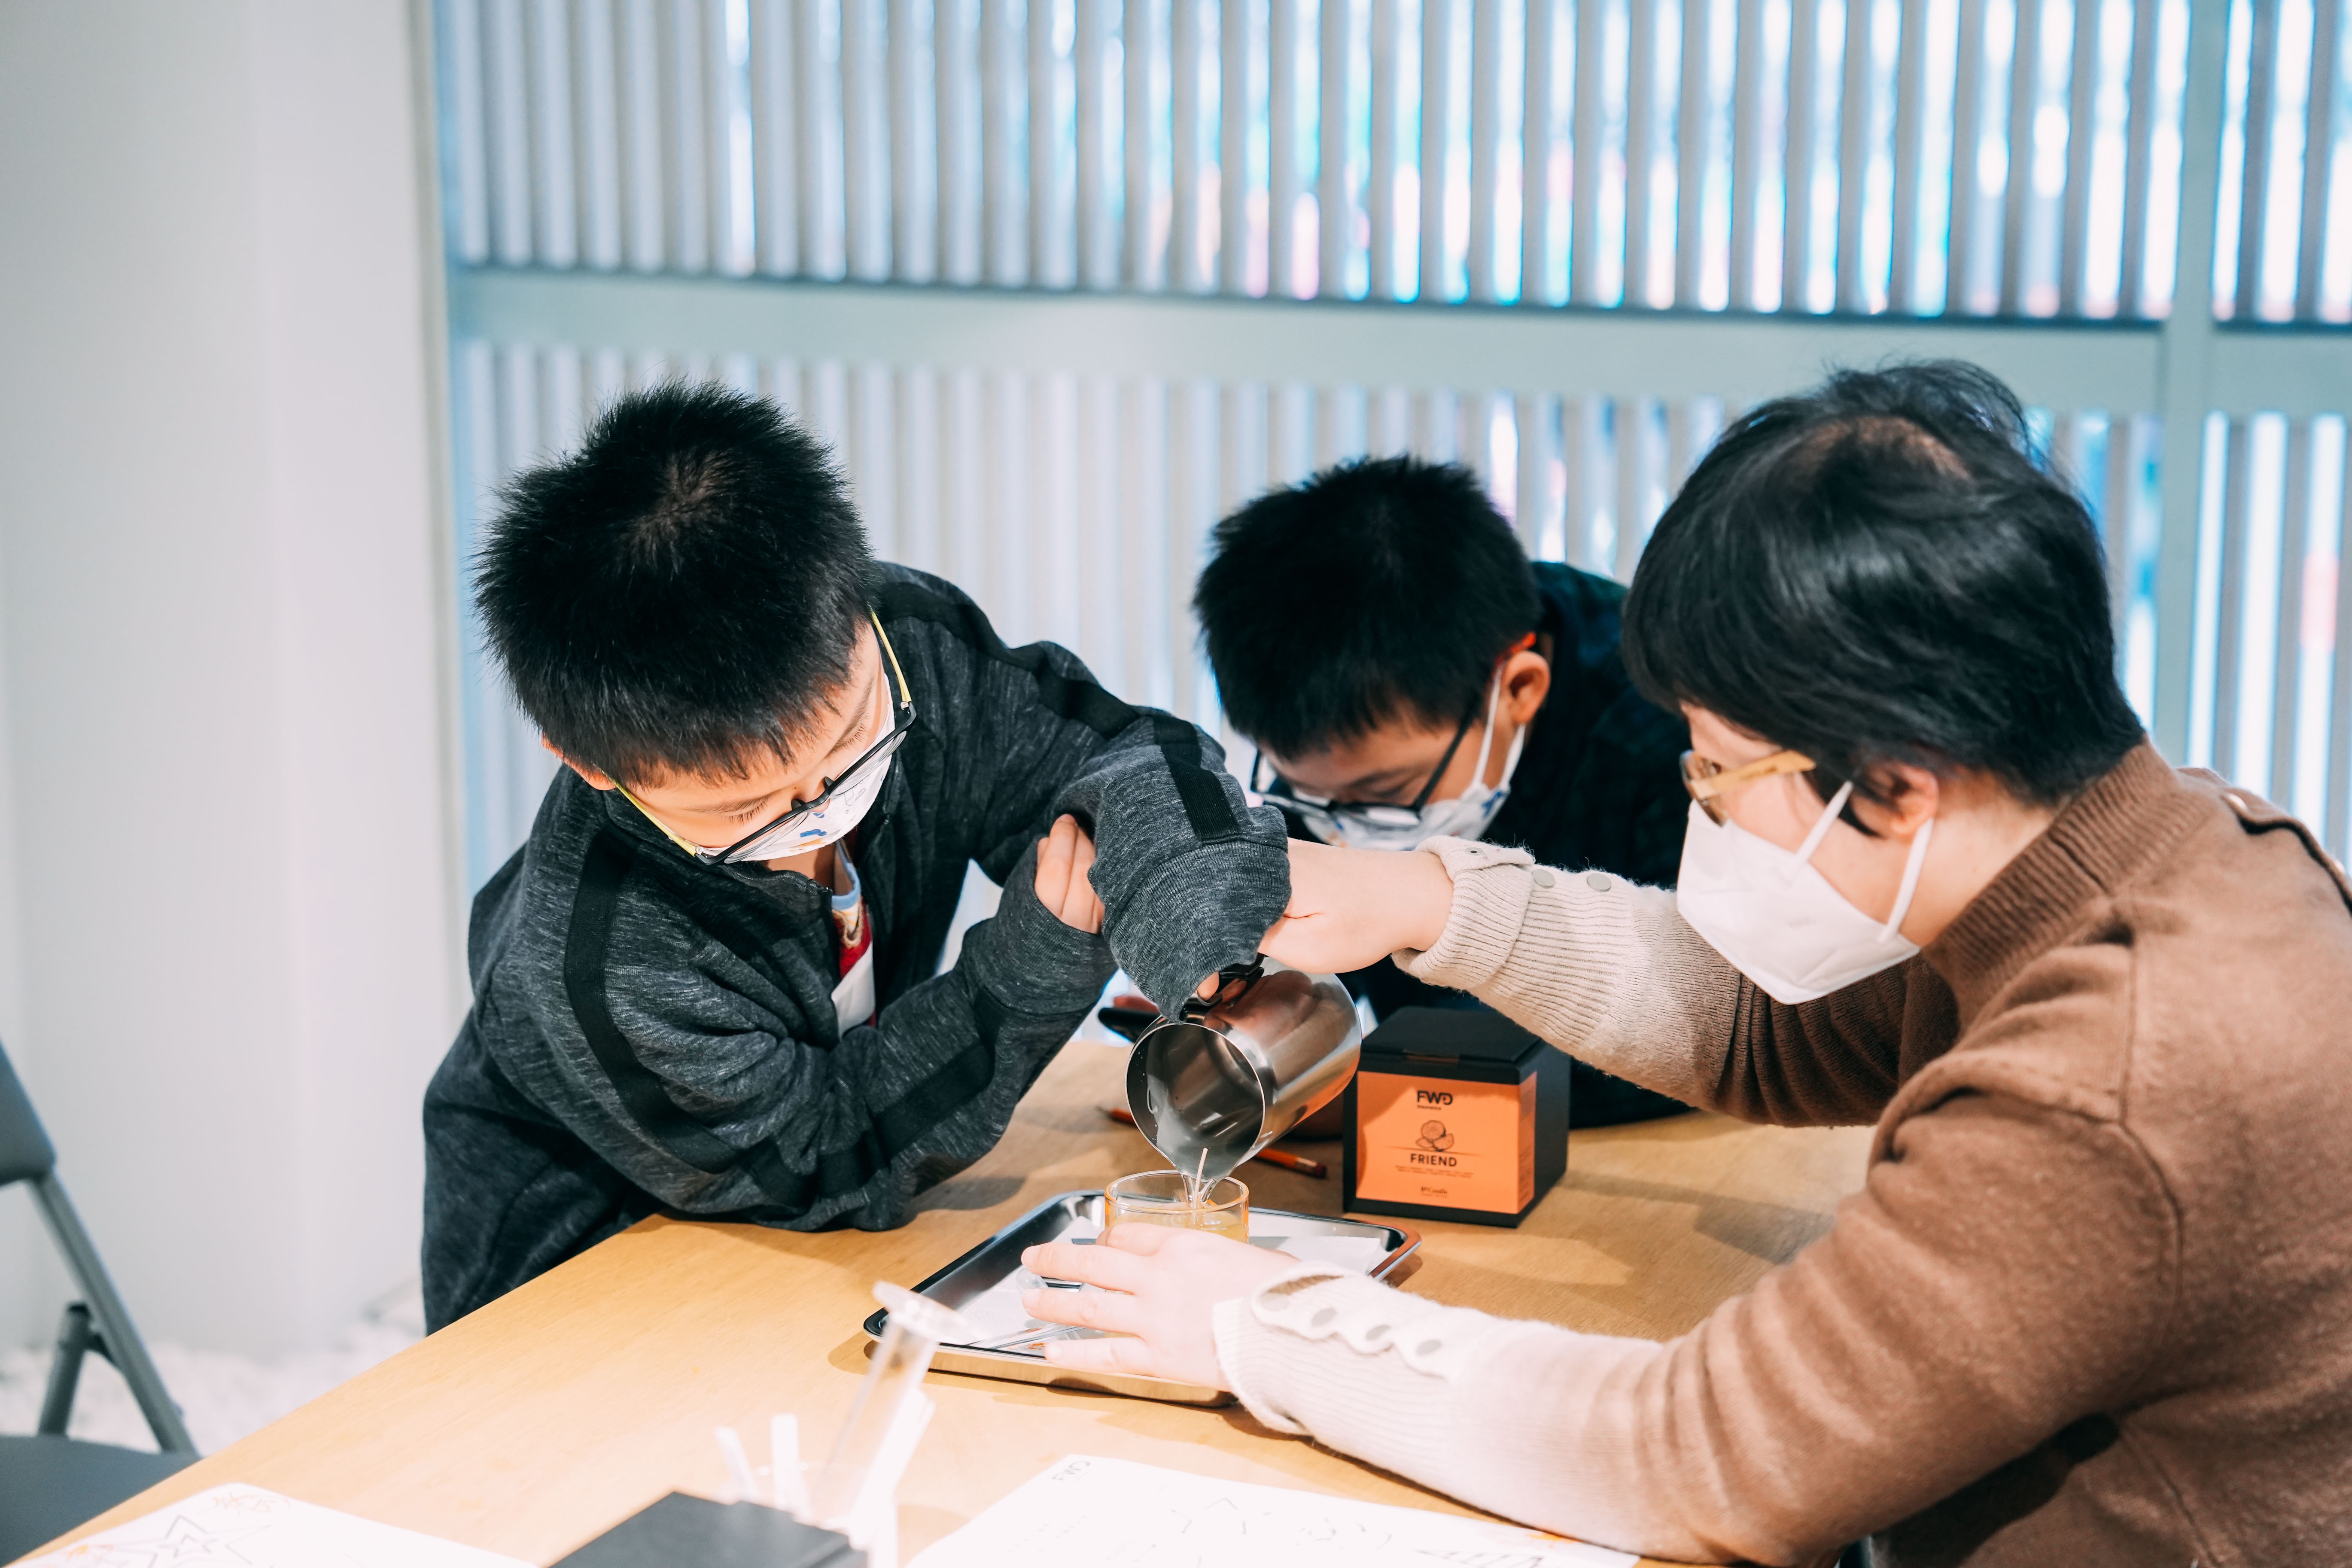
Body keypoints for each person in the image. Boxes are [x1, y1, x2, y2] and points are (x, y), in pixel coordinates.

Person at [1018, 362, 2352, 1565]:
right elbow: (1766, 1032)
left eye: (1717, 770)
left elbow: (1693, 1453)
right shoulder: (2148, 850)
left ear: (1896, 781)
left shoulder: (2104, 1080)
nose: (1697, 804)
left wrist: (1266, 1324)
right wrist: (1428, 897)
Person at [421, 384, 1287, 1330]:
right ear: (587, 763)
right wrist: (1026, 976)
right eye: (745, 808)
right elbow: (822, 1153)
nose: (818, 809)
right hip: (583, 1283)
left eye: (847, 746)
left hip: (820, 1252)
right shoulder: (597, 960)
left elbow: (1117, 760)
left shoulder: (909, 645)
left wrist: (1196, 920)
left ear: (863, 612)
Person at [1193, 456, 1690, 1125]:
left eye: (1385, 790)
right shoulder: (1333, 736)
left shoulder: (1668, 733)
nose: (1344, 829)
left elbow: (1698, 1036)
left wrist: (1366, 1092)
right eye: (1305, 791)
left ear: (1519, 690)